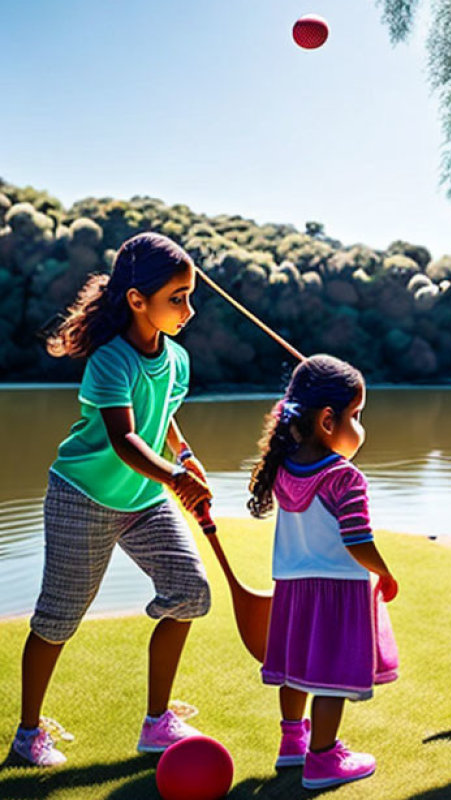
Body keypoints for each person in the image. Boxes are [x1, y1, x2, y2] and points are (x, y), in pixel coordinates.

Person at [13, 233, 213, 767]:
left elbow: (162, 413)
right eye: (177, 297)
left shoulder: (177, 359)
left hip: (144, 500)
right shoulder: (110, 361)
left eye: (190, 295)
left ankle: (156, 723)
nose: (188, 310)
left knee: (190, 592)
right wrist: (177, 477)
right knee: (58, 618)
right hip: (83, 497)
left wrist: (184, 454)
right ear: (136, 300)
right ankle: (28, 734)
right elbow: (125, 440)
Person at [248, 354, 398, 790]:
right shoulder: (344, 477)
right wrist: (384, 571)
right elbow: (357, 540)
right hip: (337, 590)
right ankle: (323, 758)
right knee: (331, 677)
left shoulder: (283, 468)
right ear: (328, 421)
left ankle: (293, 742)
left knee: (296, 668)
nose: (361, 426)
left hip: (293, 589)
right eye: (357, 415)